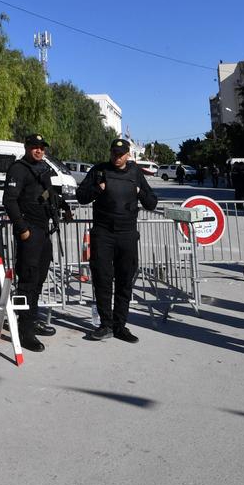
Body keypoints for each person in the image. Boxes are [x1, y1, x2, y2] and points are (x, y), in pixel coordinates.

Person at [77, 137, 159, 343]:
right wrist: (98, 188)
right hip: (103, 233)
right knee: (103, 280)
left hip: (127, 234)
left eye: (121, 154)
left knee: (125, 281)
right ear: (110, 152)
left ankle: (120, 325)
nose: (117, 157)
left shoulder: (135, 173)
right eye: (114, 153)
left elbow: (152, 202)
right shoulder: (98, 170)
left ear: (128, 155)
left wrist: (140, 192)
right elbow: (81, 196)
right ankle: (106, 325)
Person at [1, 134, 72, 353]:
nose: (39, 151)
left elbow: (48, 194)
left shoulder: (42, 169)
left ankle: (31, 319)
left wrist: (64, 206)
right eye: (35, 147)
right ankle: (25, 331)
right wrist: (23, 230)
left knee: (39, 278)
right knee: (27, 280)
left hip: (43, 231)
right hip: (30, 231)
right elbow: (9, 201)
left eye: (42, 148)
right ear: (27, 147)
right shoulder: (18, 169)